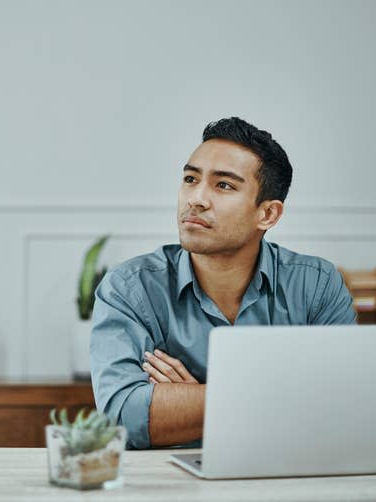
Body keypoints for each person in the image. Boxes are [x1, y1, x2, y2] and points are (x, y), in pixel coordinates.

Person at [90, 117, 356, 449]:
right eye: (190, 179)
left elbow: (341, 409)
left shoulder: (316, 284)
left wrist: (196, 396)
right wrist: (280, 396)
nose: (196, 199)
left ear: (268, 214)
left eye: (223, 186)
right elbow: (123, 418)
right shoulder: (130, 288)